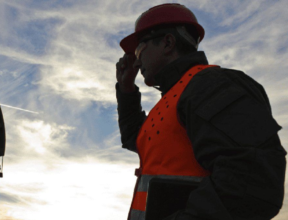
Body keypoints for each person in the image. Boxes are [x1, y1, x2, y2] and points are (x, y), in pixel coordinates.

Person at [115, 3, 286, 220]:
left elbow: (251, 185)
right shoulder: (174, 98)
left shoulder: (213, 85)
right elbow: (138, 139)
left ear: (168, 43)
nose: (137, 60)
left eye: (140, 49)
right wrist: (126, 89)